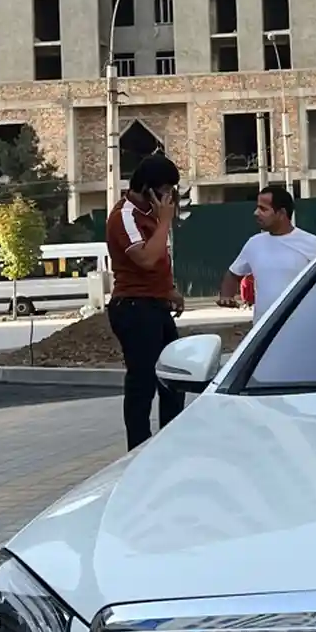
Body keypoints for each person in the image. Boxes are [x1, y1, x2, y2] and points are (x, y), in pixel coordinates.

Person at [106, 150, 187, 451]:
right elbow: (146, 259)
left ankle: (170, 442)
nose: (169, 197)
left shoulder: (148, 215)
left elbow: (156, 266)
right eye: (165, 190)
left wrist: (168, 290)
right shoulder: (124, 216)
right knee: (143, 381)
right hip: (134, 307)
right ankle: (138, 448)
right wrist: (165, 220)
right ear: (149, 188)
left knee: (173, 377)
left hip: (154, 303)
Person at [218, 184, 316, 320]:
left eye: (263, 209)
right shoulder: (254, 243)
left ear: (281, 213)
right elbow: (233, 274)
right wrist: (226, 296)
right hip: (264, 329)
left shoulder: (312, 243)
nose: (256, 213)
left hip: (301, 324)